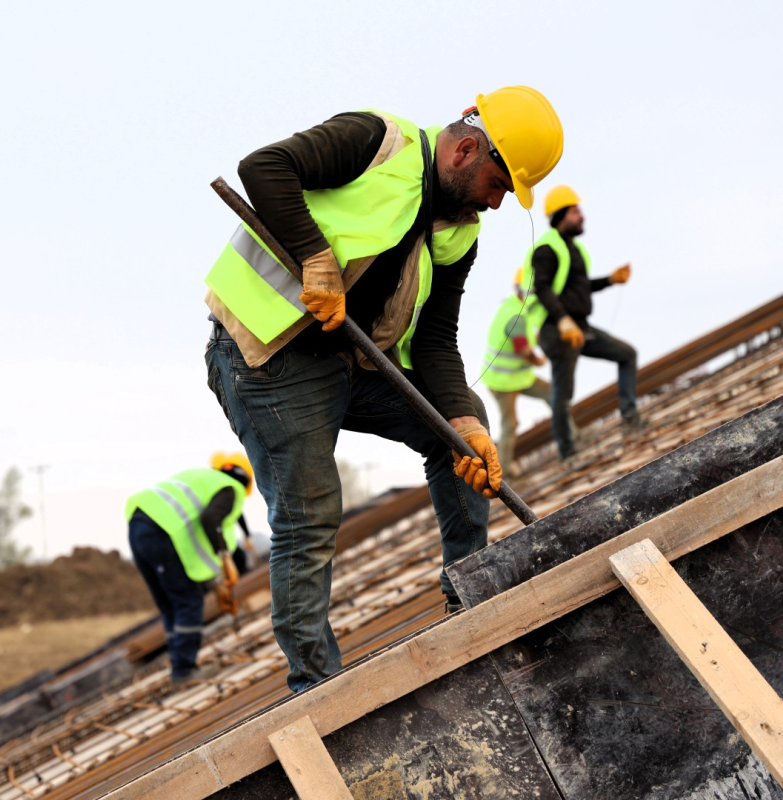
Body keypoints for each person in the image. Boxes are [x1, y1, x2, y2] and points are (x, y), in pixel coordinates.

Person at [203, 87, 564, 691]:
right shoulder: (375, 141)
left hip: (351, 362)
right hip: (266, 358)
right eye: (500, 186)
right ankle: (316, 688)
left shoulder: (460, 230)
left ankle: (468, 595)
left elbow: (435, 341)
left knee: (462, 427)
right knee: (309, 511)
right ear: (468, 150)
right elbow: (262, 169)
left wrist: (467, 431)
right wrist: (315, 259)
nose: (499, 204)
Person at [522, 185, 639, 463]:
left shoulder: (573, 249)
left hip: (579, 326)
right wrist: (562, 321)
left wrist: (610, 280)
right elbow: (542, 287)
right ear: (562, 214)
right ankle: (568, 451)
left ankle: (631, 419)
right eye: (576, 211)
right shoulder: (548, 248)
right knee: (563, 394)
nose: (581, 215)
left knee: (627, 354)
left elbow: (580, 287)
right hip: (557, 329)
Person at [126, 453, 253, 687]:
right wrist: (225, 558)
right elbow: (210, 520)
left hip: (138, 526)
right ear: (246, 482)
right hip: (160, 532)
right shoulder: (230, 488)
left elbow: (193, 544)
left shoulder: (201, 478)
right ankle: (183, 671)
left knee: (170, 605)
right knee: (188, 602)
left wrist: (214, 585)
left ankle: (180, 666)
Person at [482, 269, 551, 479]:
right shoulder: (517, 315)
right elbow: (522, 347)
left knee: (553, 394)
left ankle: (570, 434)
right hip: (503, 382)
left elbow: (527, 336)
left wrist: (542, 340)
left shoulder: (513, 306)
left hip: (518, 377)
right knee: (510, 424)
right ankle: (504, 472)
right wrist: (538, 360)